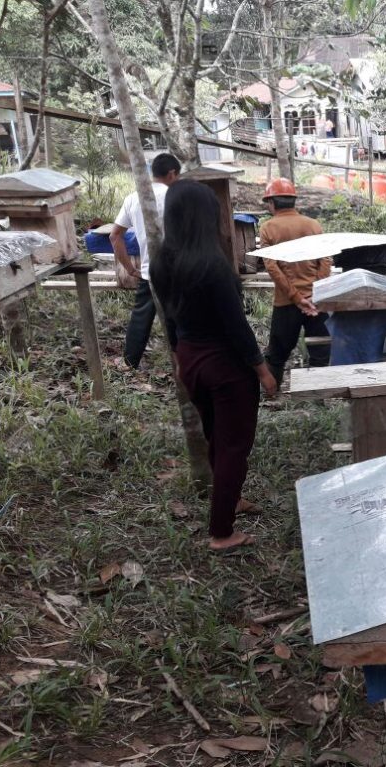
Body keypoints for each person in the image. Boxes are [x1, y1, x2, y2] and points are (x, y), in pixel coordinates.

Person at [150, 180, 277, 552]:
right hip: (225, 365)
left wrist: (178, 358)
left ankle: (230, 497)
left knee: (215, 436)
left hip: (191, 359)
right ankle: (222, 532)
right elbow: (236, 326)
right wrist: (263, 370)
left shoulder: (161, 262)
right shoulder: (212, 264)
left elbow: (169, 317)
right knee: (234, 444)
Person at [110, 153, 181, 369]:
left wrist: (130, 268)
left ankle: (129, 362)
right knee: (181, 317)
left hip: (150, 271)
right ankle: (184, 364)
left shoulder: (134, 198)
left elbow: (115, 236)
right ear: (172, 174)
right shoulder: (177, 196)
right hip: (180, 269)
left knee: (141, 317)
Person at [259, 178, 330, 387]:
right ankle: (317, 396)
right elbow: (326, 260)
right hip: (316, 303)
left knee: (277, 353)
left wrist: (296, 297)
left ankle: (273, 393)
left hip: (286, 303)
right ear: (293, 201)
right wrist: (315, 293)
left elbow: (272, 267)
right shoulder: (313, 225)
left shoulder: (268, 228)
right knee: (320, 351)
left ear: (271, 202)